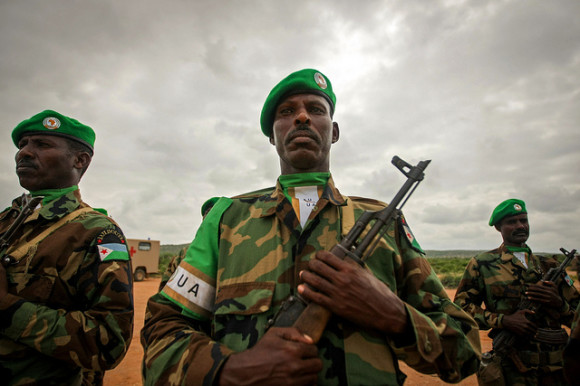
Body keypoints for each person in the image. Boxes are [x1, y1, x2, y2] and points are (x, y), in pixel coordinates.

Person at [141, 68, 480, 385]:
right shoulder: (227, 218)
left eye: (316, 109)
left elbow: (466, 351)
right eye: (286, 112)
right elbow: (163, 327)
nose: (302, 116)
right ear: (273, 136)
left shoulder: (384, 223)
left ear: (333, 131)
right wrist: (231, 371)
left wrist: (395, 315)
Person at [0, 110, 134, 385]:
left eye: (41, 144)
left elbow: (108, 343)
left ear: (79, 160)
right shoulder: (5, 220)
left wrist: (8, 309)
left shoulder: (96, 232)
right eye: (23, 144)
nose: (23, 152)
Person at [454, 199, 579, 385]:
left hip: (556, 369)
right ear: (498, 227)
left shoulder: (549, 265)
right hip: (511, 368)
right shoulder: (483, 264)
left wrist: (559, 304)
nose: (520, 226)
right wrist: (503, 321)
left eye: (524, 220)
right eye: (512, 222)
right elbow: (460, 309)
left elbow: (576, 316)